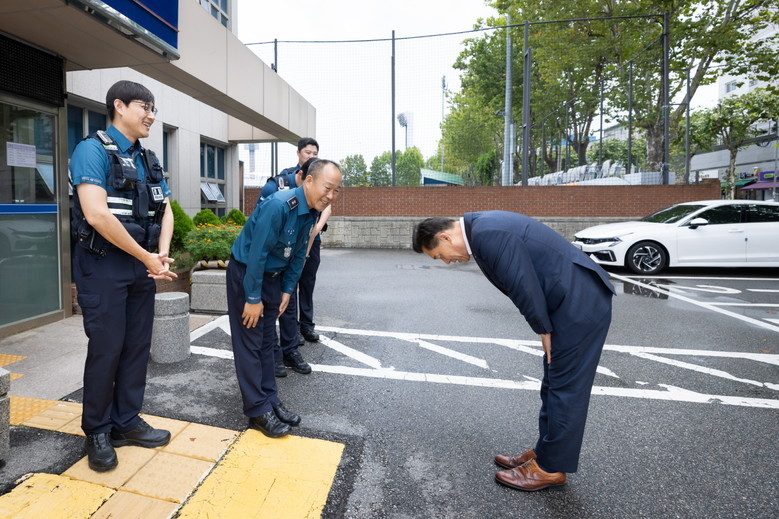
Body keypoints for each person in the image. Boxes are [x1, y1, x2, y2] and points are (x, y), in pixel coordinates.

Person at [412, 211, 615, 491]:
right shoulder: (481, 229)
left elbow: (522, 284)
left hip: (578, 303)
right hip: (570, 299)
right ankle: (545, 453)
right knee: (554, 382)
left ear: (445, 237)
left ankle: (550, 468)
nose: (446, 261)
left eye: (439, 256)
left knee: (565, 387)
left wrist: (543, 329)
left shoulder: (487, 234)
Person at [70, 80, 176, 472]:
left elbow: (166, 208)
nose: (151, 116)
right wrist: (147, 256)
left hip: (141, 265)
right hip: (103, 266)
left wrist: (160, 253)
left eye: (153, 109)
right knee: (107, 347)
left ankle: (126, 421)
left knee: (135, 346)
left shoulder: (149, 159)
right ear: (119, 106)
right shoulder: (91, 150)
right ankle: (98, 430)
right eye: (144, 107)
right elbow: (96, 214)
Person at [228, 159, 342, 438]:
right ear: (309, 181)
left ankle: (270, 400)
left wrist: (287, 290)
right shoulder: (279, 205)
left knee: (267, 343)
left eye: (336, 190)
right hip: (249, 275)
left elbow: (300, 252)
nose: (331, 195)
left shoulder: (312, 211)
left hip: (274, 278)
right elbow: (257, 254)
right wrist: (252, 297)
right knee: (251, 344)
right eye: (327, 187)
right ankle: (257, 410)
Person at [256, 138, 326, 378]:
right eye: (308, 152)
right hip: (273, 256)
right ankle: (274, 353)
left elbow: (312, 224)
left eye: (315, 152)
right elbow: (259, 228)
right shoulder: (276, 186)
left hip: (295, 251)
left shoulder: (316, 194)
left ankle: (290, 350)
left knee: (290, 299)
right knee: (271, 306)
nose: (311, 155)